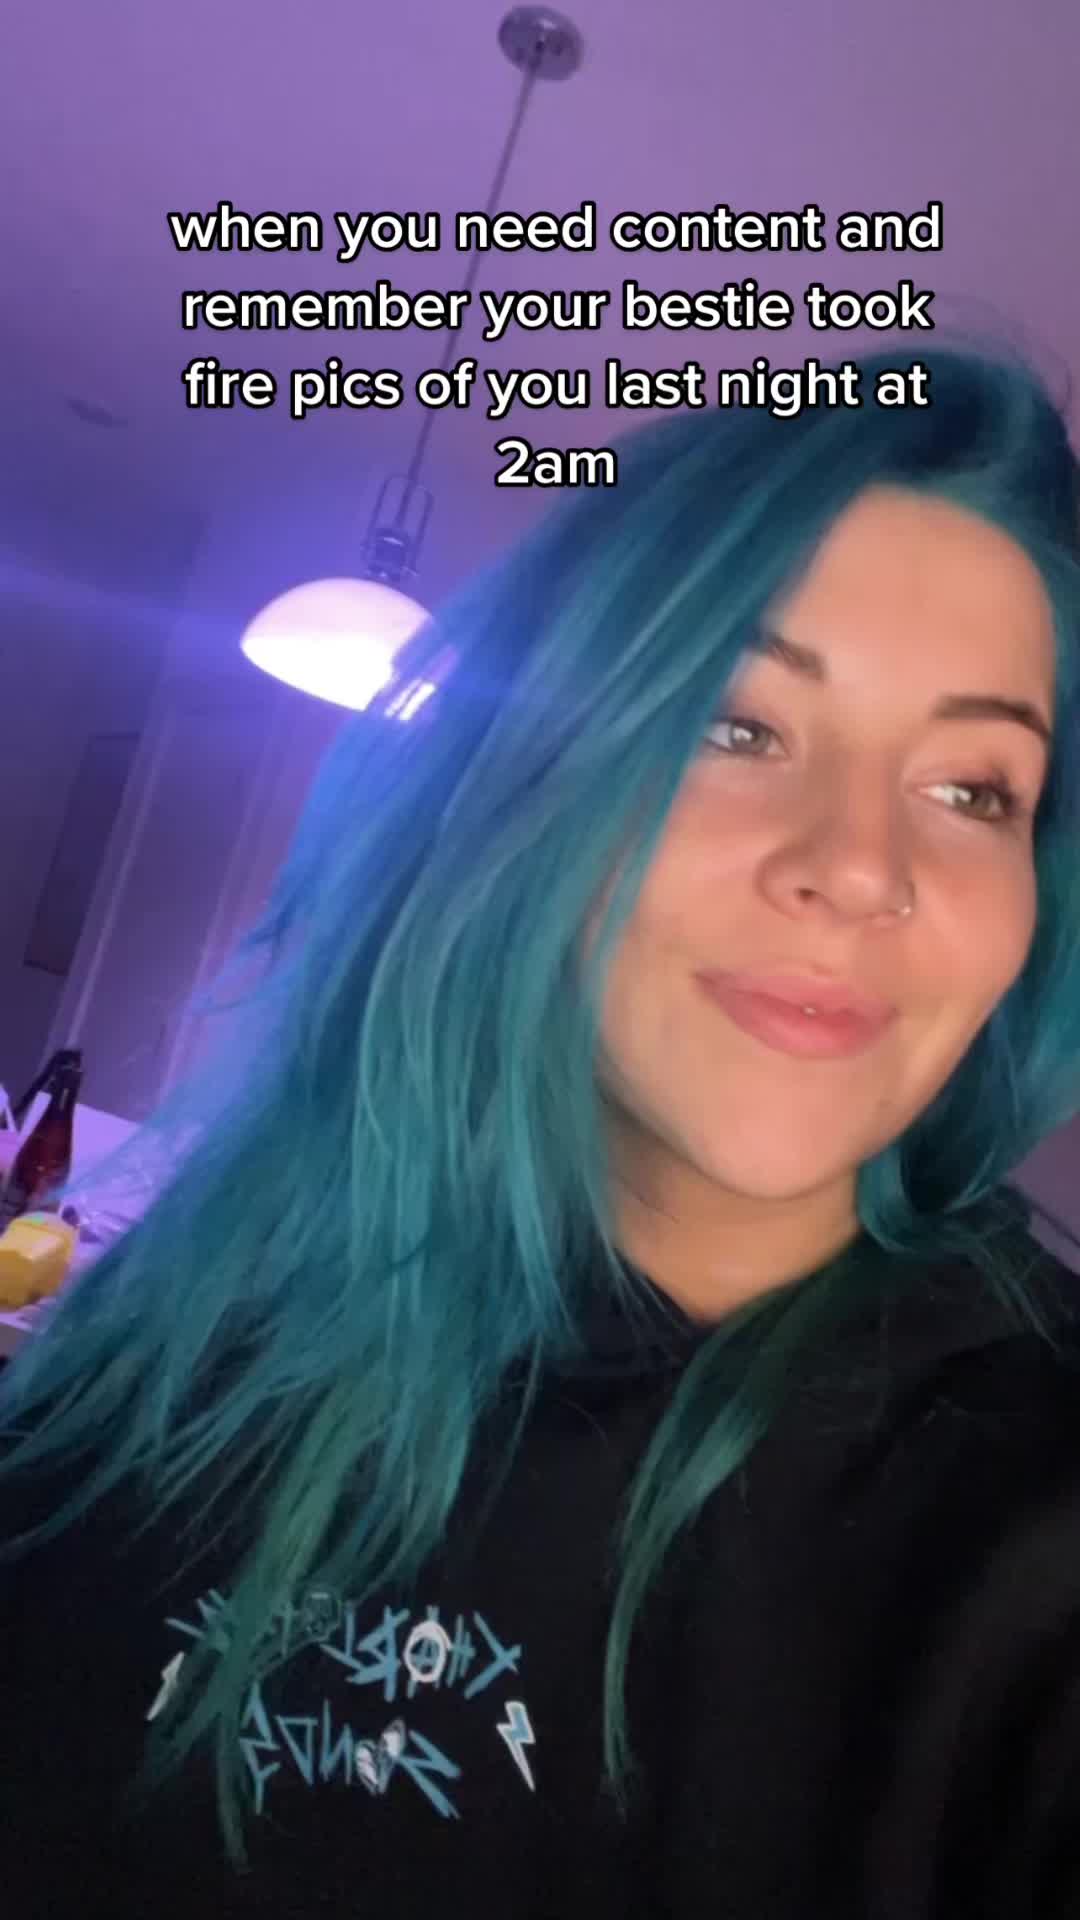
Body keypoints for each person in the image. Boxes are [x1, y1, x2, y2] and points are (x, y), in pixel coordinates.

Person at [2, 345, 1080, 1919]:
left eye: (977, 788)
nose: (861, 866)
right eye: (738, 724)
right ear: (532, 779)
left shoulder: (1033, 1535)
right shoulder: (179, 1343)